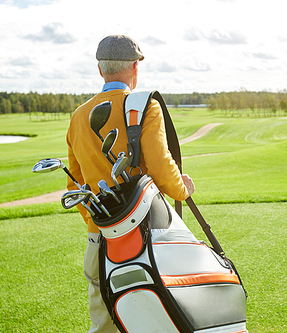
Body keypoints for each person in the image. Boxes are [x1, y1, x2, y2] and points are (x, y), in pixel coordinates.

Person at [66, 35, 195, 333]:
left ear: (101, 70)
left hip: (99, 239)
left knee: (104, 325)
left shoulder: (78, 116)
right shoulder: (144, 107)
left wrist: (99, 221)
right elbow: (162, 167)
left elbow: (75, 186)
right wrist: (182, 190)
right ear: (135, 68)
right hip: (147, 236)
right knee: (158, 321)